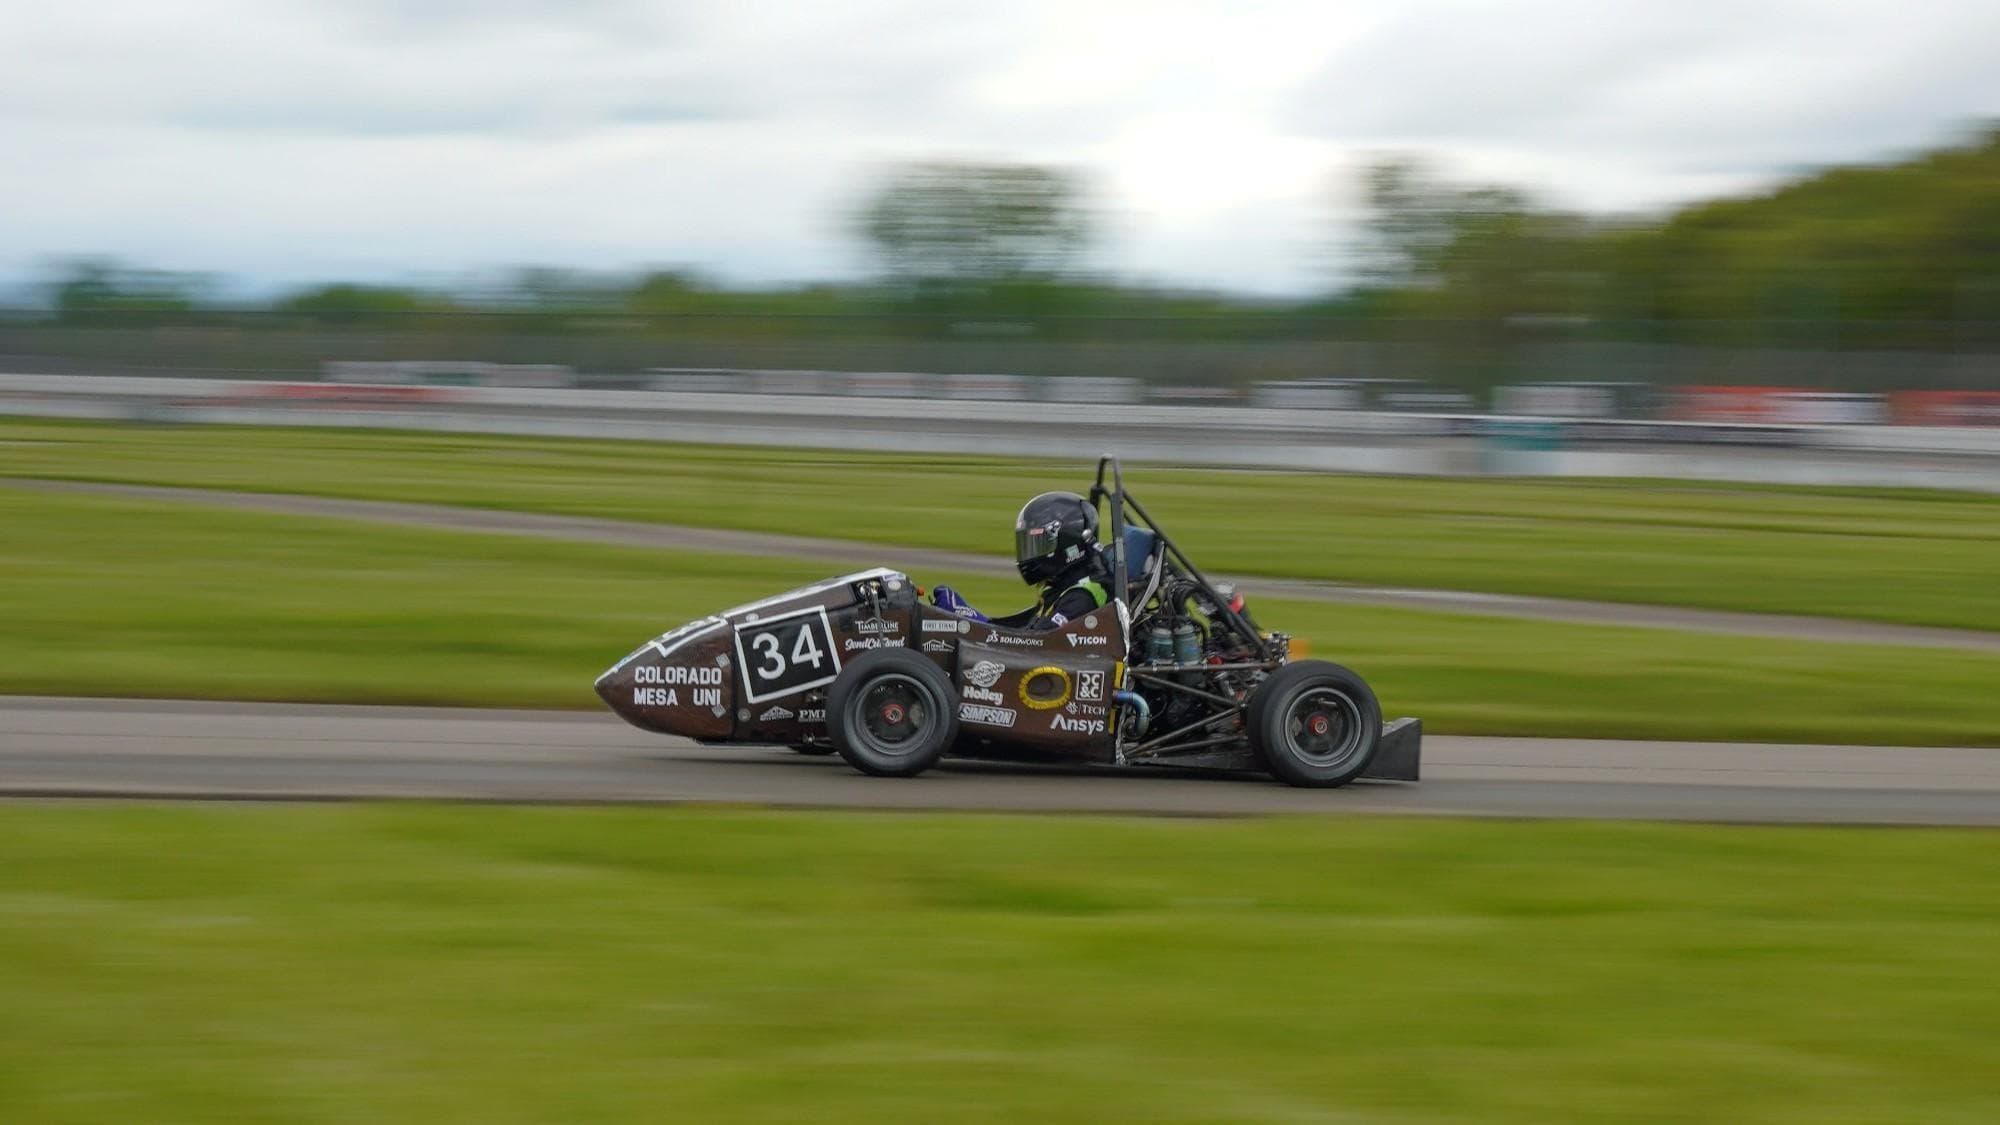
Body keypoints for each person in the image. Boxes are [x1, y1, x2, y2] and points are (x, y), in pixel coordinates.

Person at [931, 491, 1109, 629]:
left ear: (1066, 544)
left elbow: (1032, 646)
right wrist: (968, 617)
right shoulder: (1062, 588)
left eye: (1038, 544)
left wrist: (971, 620)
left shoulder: (1080, 598)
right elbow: (1022, 630)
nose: (1030, 554)